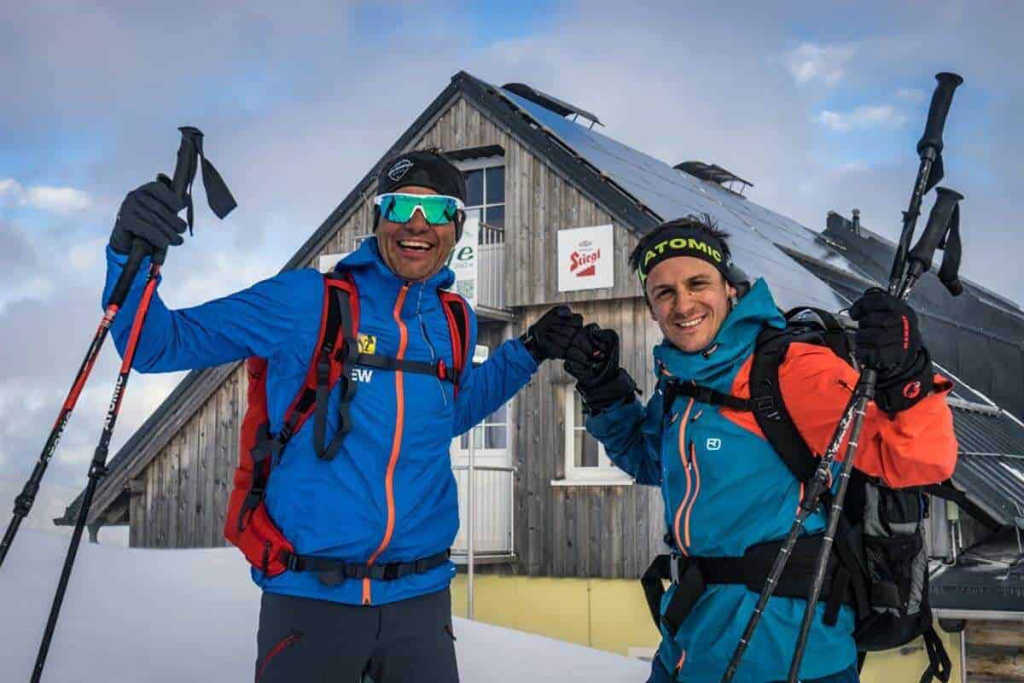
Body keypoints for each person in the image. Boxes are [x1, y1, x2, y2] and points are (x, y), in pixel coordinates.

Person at [103, 149, 583, 682]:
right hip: (311, 601)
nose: (417, 224)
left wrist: (528, 350)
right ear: (378, 219)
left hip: (420, 605)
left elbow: (446, 415)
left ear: (457, 225)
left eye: (437, 209)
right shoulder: (306, 300)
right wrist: (130, 254)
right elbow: (155, 346)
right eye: (400, 207)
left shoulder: (454, 319)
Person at [562, 215, 957, 682]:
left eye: (697, 283)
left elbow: (915, 461)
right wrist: (604, 387)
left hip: (788, 655)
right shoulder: (682, 380)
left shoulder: (791, 369)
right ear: (650, 307)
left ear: (730, 288)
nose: (683, 303)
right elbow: (650, 462)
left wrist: (908, 374)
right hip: (689, 646)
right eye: (663, 292)